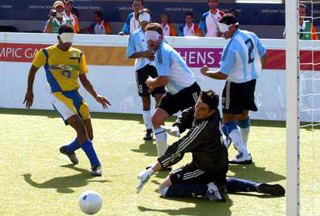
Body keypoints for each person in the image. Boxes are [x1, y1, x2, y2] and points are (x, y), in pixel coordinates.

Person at [136, 90, 285, 200]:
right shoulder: (207, 112)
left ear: (211, 111)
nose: (197, 111)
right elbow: (187, 113)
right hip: (219, 164)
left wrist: (151, 171)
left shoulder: (204, 128)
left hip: (204, 168)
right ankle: (254, 186)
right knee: (221, 182)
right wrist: (177, 126)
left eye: (202, 109)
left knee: (164, 189)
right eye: (197, 106)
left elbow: (178, 149)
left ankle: (207, 189)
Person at [23, 25, 111, 176]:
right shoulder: (45, 53)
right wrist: (30, 91)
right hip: (58, 96)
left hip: (76, 96)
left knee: (89, 135)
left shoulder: (78, 54)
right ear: (58, 38)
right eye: (65, 39)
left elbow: (84, 78)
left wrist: (96, 95)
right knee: (80, 129)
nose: (68, 43)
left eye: (70, 40)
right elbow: (33, 69)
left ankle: (68, 149)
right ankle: (96, 165)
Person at [200, 14, 268, 164]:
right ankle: (242, 148)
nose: (220, 32)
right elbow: (264, 54)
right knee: (243, 115)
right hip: (250, 81)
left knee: (228, 119)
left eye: (223, 29)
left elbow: (222, 74)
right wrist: (257, 70)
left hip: (235, 84)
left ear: (232, 27)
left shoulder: (231, 47)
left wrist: (206, 73)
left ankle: (243, 151)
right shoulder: (251, 35)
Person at [144, 22, 201, 158]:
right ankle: (163, 159)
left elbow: (163, 80)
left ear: (160, 37)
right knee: (156, 119)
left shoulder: (162, 52)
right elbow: (165, 80)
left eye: (153, 37)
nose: (149, 41)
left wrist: (151, 82)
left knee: (200, 127)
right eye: (147, 37)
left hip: (189, 91)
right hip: (174, 93)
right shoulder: (160, 48)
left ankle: (214, 154)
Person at [126, 9, 165, 140]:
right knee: (145, 98)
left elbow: (164, 47)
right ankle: (148, 129)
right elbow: (129, 54)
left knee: (159, 97)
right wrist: (144, 54)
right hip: (141, 69)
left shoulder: (157, 32)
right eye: (142, 21)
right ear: (138, 20)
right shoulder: (134, 35)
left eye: (146, 21)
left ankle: (159, 126)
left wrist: (154, 53)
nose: (144, 24)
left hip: (156, 68)